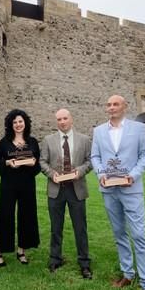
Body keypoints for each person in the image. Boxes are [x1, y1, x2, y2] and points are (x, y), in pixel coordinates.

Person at [91, 94, 145, 290]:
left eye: (115, 104)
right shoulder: (99, 131)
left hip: (131, 189)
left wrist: (133, 175)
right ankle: (128, 274)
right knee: (119, 233)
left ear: (125, 107)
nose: (111, 107)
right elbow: (95, 157)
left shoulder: (138, 129)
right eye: (108, 104)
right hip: (109, 189)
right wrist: (101, 173)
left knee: (139, 235)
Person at [39, 108, 93, 279]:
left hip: (76, 189)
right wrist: (51, 174)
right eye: (59, 119)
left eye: (65, 118)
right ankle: (55, 259)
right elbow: (42, 161)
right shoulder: (48, 140)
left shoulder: (84, 140)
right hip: (56, 190)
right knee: (56, 227)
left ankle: (84, 262)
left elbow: (90, 160)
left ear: (71, 119)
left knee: (80, 228)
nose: (62, 122)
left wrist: (80, 171)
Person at [0, 109, 41, 266]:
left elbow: (38, 162)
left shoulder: (32, 141)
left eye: (20, 121)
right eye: (15, 122)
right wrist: (7, 163)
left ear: (25, 123)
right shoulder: (5, 142)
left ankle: (22, 249)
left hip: (27, 183)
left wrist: (34, 163)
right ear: (10, 124)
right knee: (5, 215)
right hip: (9, 183)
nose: (18, 124)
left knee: (26, 215)